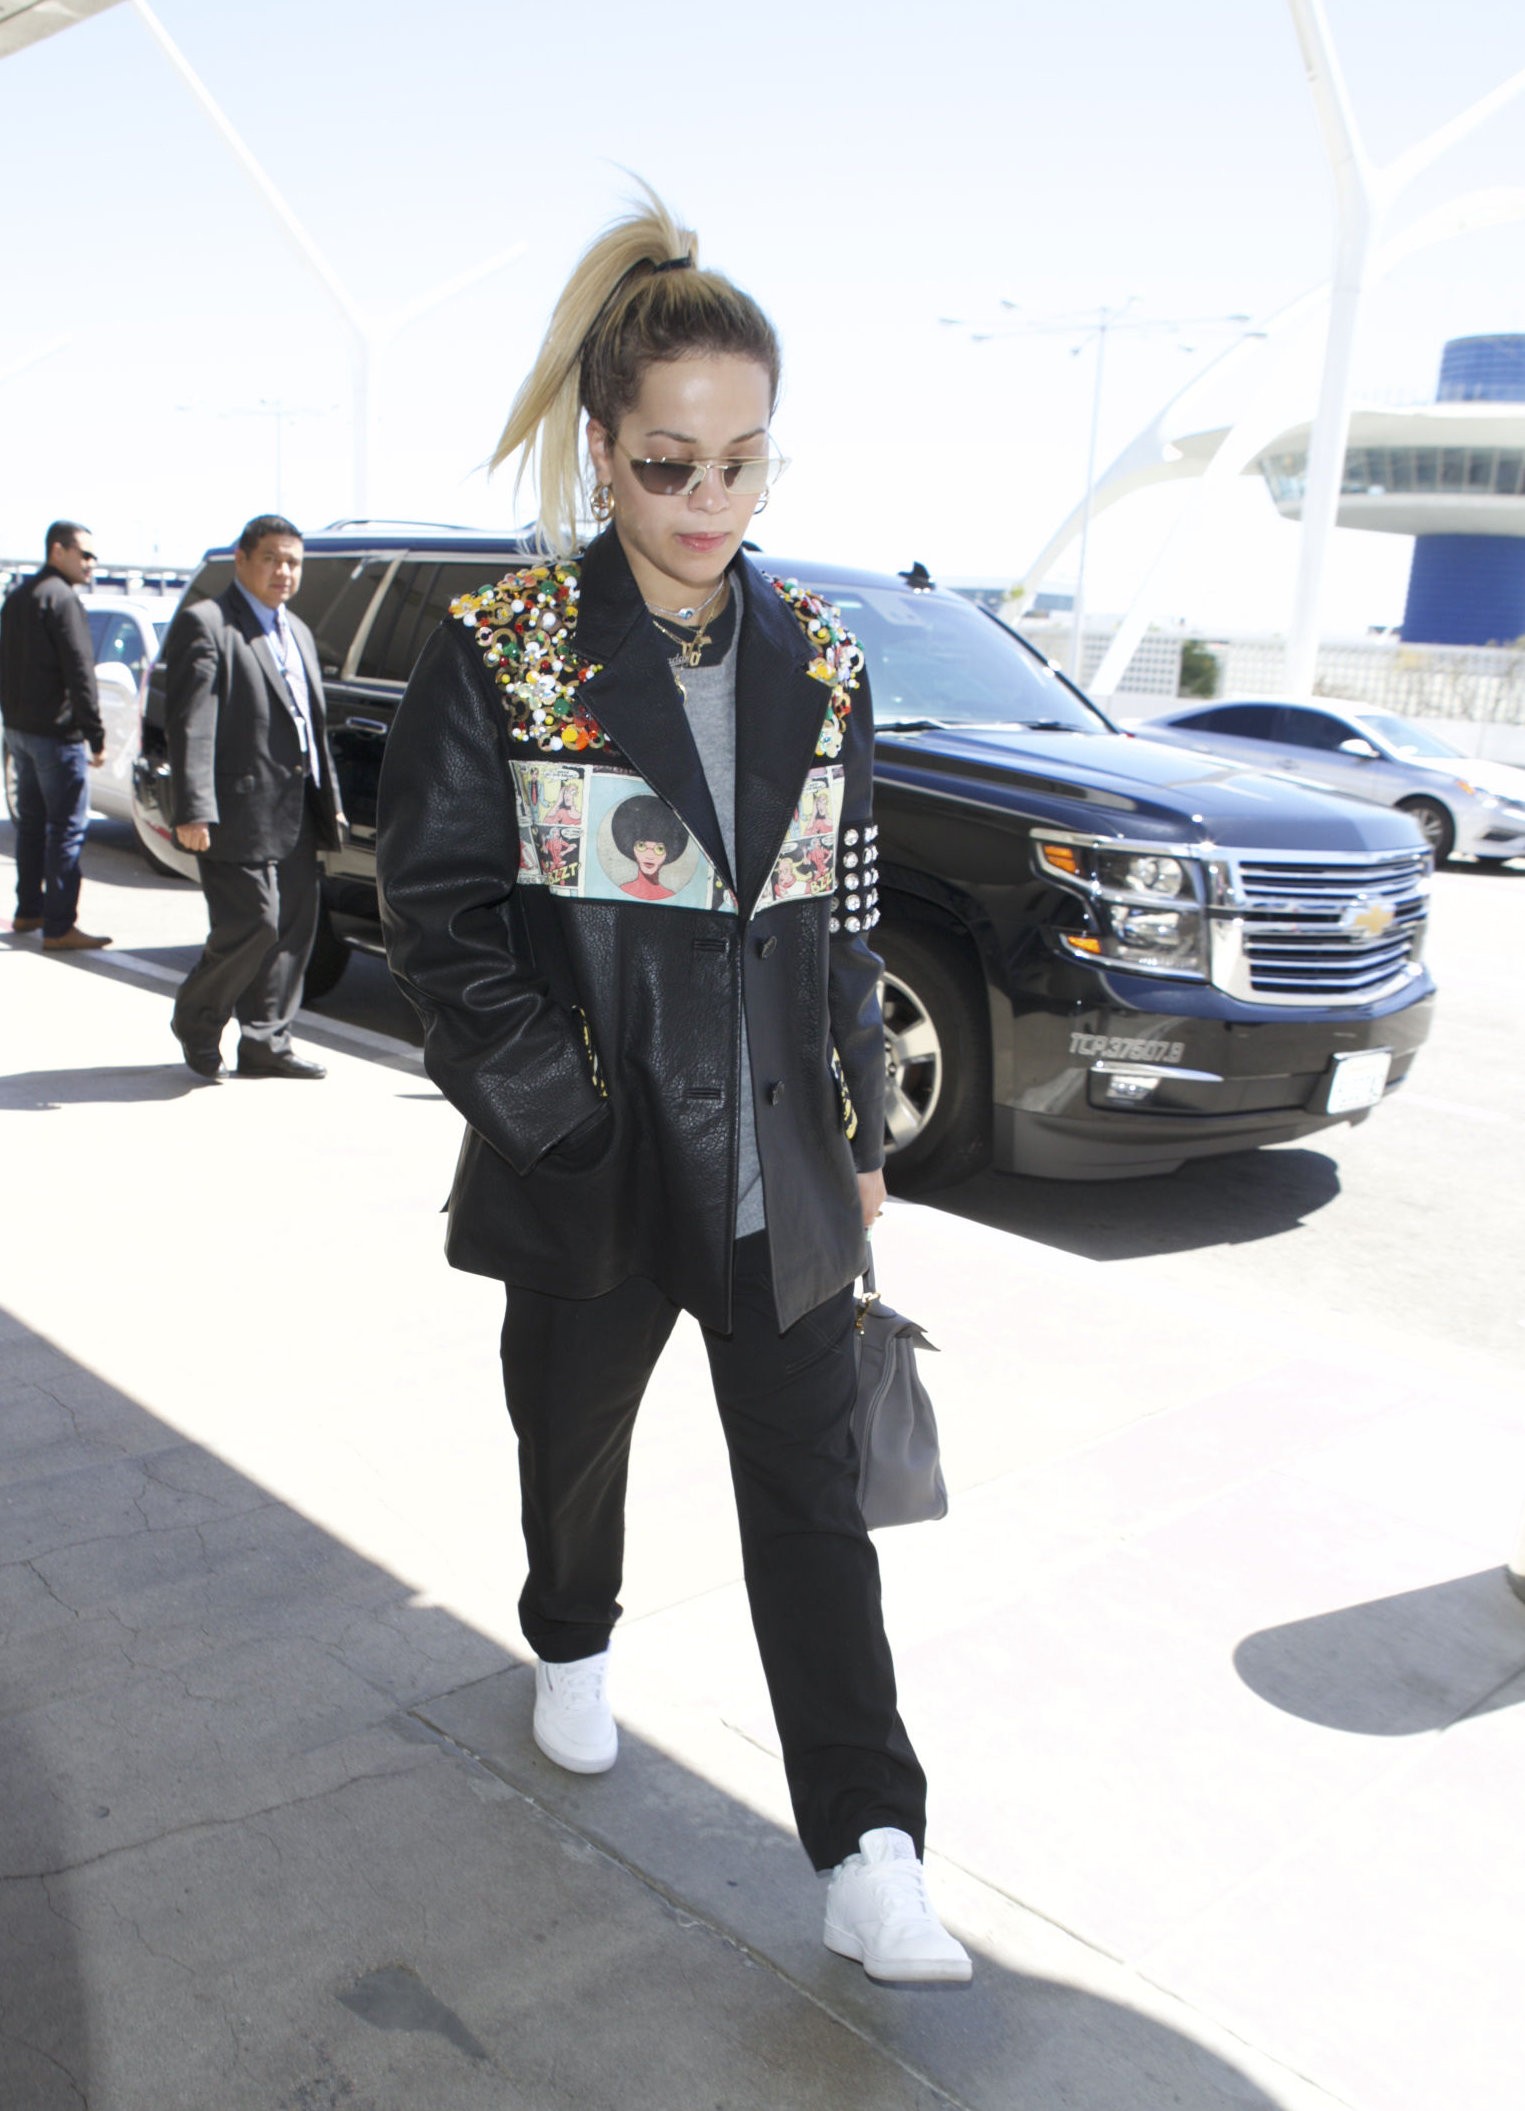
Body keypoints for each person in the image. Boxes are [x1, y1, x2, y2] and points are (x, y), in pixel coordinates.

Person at [377, 187, 969, 1986]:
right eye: (666, 464)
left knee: (814, 1505)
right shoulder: (507, 652)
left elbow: (841, 918)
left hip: (782, 1167)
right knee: (571, 1447)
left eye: (743, 462)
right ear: (600, 449)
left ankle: (870, 1844)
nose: (709, 501)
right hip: (597, 1161)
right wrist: (565, 1111)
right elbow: (438, 916)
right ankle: (571, 1632)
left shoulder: (824, 657)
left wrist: (859, 1132)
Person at [163, 515, 345, 1082]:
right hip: (234, 810)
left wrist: (330, 799)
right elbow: (192, 723)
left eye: (293, 562)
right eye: (271, 558)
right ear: (241, 559)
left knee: (293, 929)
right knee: (254, 924)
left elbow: (309, 725)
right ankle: (197, 1018)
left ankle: (267, 1041)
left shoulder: (300, 632)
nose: (284, 571)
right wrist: (194, 807)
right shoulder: (208, 623)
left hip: (297, 806)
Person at [0, 520, 112, 950]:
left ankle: (29, 909)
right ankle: (59, 925)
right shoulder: (62, 599)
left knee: (31, 826)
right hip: (55, 736)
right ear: (57, 551)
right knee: (66, 829)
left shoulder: (18, 597)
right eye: (84, 554)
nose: (91, 563)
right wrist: (95, 736)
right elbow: (81, 671)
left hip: (20, 732)